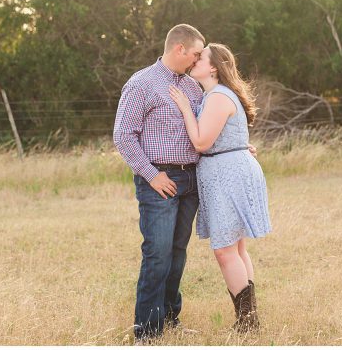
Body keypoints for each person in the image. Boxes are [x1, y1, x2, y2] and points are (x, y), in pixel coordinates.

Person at [169, 43, 272, 333]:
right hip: (228, 170)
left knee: (225, 251)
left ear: (213, 67)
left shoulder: (217, 97)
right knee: (236, 248)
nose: (195, 60)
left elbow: (201, 142)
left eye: (201, 58)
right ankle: (249, 319)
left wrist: (186, 111)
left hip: (228, 174)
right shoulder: (215, 95)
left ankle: (248, 323)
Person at [113, 24, 206, 342]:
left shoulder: (193, 88)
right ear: (179, 49)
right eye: (195, 54)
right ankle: (147, 332)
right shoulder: (142, 83)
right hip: (160, 180)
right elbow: (123, 136)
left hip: (191, 179)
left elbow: (204, 130)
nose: (197, 60)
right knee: (157, 253)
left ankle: (169, 317)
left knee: (178, 251)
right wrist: (152, 175)